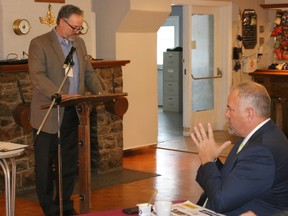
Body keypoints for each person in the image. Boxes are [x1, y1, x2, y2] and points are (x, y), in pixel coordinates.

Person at [28, 5, 103, 216]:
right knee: (44, 167)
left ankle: (65, 206)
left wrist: (102, 94)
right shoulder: (40, 43)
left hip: (72, 113)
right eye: (74, 27)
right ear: (61, 22)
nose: (77, 32)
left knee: (68, 165)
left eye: (80, 27)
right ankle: (50, 210)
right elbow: (38, 76)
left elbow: (88, 73)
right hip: (48, 113)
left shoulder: (79, 43)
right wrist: (59, 95)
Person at [191, 82, 288, 216]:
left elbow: (221, 202)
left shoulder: (261, 152)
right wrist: (212, 160)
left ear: (249, 113)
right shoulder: (257, 137)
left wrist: (207, 161)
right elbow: (233, 181)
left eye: (230, 109)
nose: (226, 114)